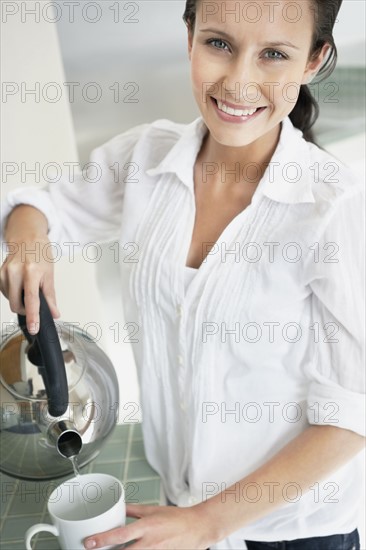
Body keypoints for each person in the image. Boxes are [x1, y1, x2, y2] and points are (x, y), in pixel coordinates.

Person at [1, 0, 365, 548]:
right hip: (182, 506)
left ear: (314, 61)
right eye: (219, 43)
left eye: (273, 54)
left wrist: (211, 521)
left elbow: (352, 412)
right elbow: (37, 206)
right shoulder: (146, 157)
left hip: (291, 529)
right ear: (189, 36)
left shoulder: (336, 206)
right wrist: (28, 245)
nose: (239, 82)